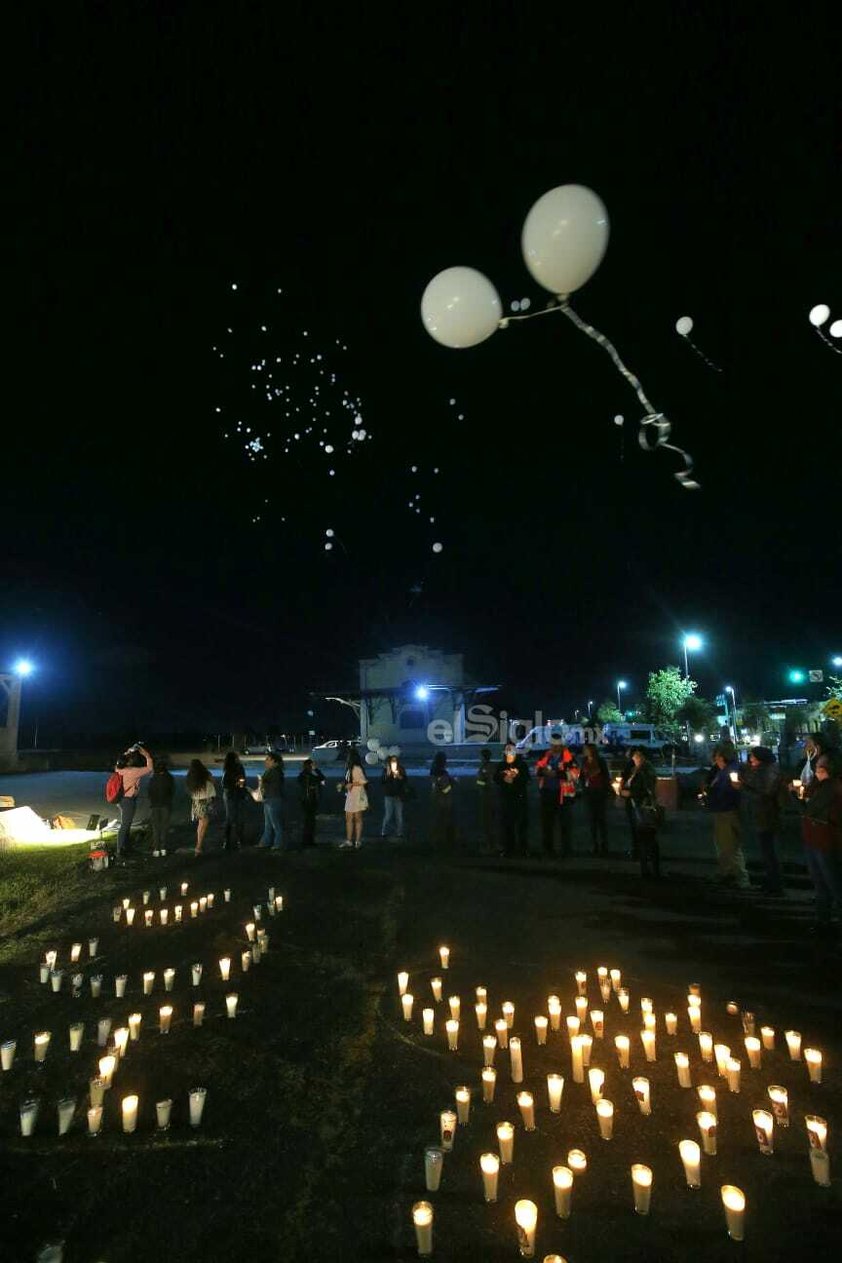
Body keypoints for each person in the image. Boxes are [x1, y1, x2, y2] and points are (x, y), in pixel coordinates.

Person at [801, 754, 842, 936]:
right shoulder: (820, 785)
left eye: (820, 768)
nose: (816, 771)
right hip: (814, 838)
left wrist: (804, 796)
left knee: (833, 883)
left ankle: (828, 920)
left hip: (826, 840)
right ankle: (822, 920)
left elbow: (811, 808)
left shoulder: (832, 786)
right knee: (820, 883)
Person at [739, 746, 785, 894]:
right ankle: (771, 882)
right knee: (767, 850)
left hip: (767, 815)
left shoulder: (767, 772)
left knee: (769, 851)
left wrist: (743, 788)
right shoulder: (763, 770)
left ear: (760, 757)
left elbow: (763, 795)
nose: (750, 759)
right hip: (763, 815)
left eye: (752, 756)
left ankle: (774, 884)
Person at [705, 750, 749, 888]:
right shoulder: (725, 770)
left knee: (730, 845)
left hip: (727, 811)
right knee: (724, 845)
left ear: (722, 758)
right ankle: (728, 872)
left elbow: (727, 792)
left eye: (717, 757)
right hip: (723, 810)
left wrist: (712, 796)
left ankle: (740, 878)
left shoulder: (730, 772)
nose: (715, 760)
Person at [535, 733, 578, 857]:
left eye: (557, 746)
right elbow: (537, 769)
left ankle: (566, 851)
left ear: (562, 745)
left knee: (565, 825)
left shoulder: (569, 758)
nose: (554, 748)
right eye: (552, 745)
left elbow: (575, 774)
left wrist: (556, 774)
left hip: (563, 796)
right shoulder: (545, 756)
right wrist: (542, 771)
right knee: (547, 824)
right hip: (547, 794)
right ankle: (548, 850)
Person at [621, 748, 661, 877]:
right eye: (634, 756)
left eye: (637, 756)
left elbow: (646, 789)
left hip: (644, 806)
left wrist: (630, 793)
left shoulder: (645, 770)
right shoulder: (637, 770)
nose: (634, 759)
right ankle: (646, 866)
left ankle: (651, 867)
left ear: (642, 757)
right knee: (643, 836)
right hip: (637, 805)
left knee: (647, 836)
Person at [114, 743, 153, 860]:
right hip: (128, 800)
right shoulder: (133, 771)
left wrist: (128, 752)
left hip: (121, 799)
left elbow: (121, 760)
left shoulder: (119, 769)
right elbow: (150, 768)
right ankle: (120, 850)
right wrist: (146, 755)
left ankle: (125, 847)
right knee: (125, 825)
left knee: (126, 824)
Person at [494, 742, 530, 857]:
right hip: (506, 799)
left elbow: (526, 779)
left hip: (519, 799)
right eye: (507, 750)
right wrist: (503, 777)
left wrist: (516, 778)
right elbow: (495, 778)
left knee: (521, 826)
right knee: (507, 825)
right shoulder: (501, 765)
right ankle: (509, 848)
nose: (509, 752)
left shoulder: (521, 765)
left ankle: (523, 849)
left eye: (511, 750)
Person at [580, 743, 611, 856]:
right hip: (589, 792)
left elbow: (606, 776)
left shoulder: (600, 761)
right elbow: (582, 777)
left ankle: (604, 845)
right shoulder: (584, 761)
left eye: (586, 750)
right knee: (592, 820)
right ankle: (594, 844)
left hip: (599, 792)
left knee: (601, 820)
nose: (584, 751)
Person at [185, 758, 216, 856]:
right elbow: (213, 782)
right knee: (203, 824)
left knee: (201, 824)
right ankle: (198, 847)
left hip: (196, 802)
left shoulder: (190, 777)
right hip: (205, 801)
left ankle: (198, 845)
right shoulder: (206, 774)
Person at [221, 750, 249, 852]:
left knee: (236, 818)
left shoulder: (234, 768)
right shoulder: (229, 769)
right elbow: (225, 783)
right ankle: (230, 840)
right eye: (236, 757)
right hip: (231, 795)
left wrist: (240, 785)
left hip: (234, 794)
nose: (238, 758)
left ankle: (234, 840)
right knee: (232, 818)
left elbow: (242, 780)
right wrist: (238, 784)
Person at [340, 748, 369, 849]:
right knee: (349, 818)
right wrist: (343, 785)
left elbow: (363, 781)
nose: (346, 758)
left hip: (356, 795)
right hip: (350, 795)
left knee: (357, 818)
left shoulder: (356, 768)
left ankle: (357, 840)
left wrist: (352, 784)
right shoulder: (349, 768)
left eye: (348, 756)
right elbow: (348, 781)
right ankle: (349, 840)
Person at [258, 750, 286, 850]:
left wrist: (261, 781)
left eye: (268, 759)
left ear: (274, 761)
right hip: (270, 798)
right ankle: (266, 842)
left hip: (273, 799)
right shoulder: (274, 771)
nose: (265, 761)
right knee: (269, 823)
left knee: (274, 823)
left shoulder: (273, 771)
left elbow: (266, 783)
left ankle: (278, 843)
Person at [429, 751, 457, 850]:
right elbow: (445, 789)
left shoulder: (433, 771)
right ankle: (443, 842)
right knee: (444, 821)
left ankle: (436, 841)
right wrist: (452, 784)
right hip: (443, 801)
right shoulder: (442, 773)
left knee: (437, 821)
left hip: (436, 799)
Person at [148, 755, 175, 854]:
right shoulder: (169, 778)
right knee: (164, 827)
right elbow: (172, 791)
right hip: (166, 805)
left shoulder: (153, 778)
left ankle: (156, 848)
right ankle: (163, 848)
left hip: (154, 805)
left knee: (156, 827)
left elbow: (150, 791)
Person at [298, 758, 325, 847]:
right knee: (310, 821)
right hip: (310, 799)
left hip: (305, 799)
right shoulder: (309, 775)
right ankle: (308, 841)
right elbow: (321, 778)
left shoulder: (302, 775)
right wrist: (316, 769)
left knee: (308, 821)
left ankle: (306, 840)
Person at [381, 754, 408, 838]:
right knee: (388, 815)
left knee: (399, 815)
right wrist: (388, 774)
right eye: (392, 762)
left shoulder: (401, 769)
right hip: (389, 795)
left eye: (395, 761)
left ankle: (399, 832)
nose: (394, 763)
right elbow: (382, 782)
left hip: (398, 795)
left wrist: (399, 776)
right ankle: (384, 831)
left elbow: (405, 780)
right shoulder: (386, 770)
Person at [475, 747, 497, 853]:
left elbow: (484, 782)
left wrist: (479, 784)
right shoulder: (493, 766)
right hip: (492, 796)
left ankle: (490, 845)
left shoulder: (485, 768)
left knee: (487, 821)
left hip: (487, 796)